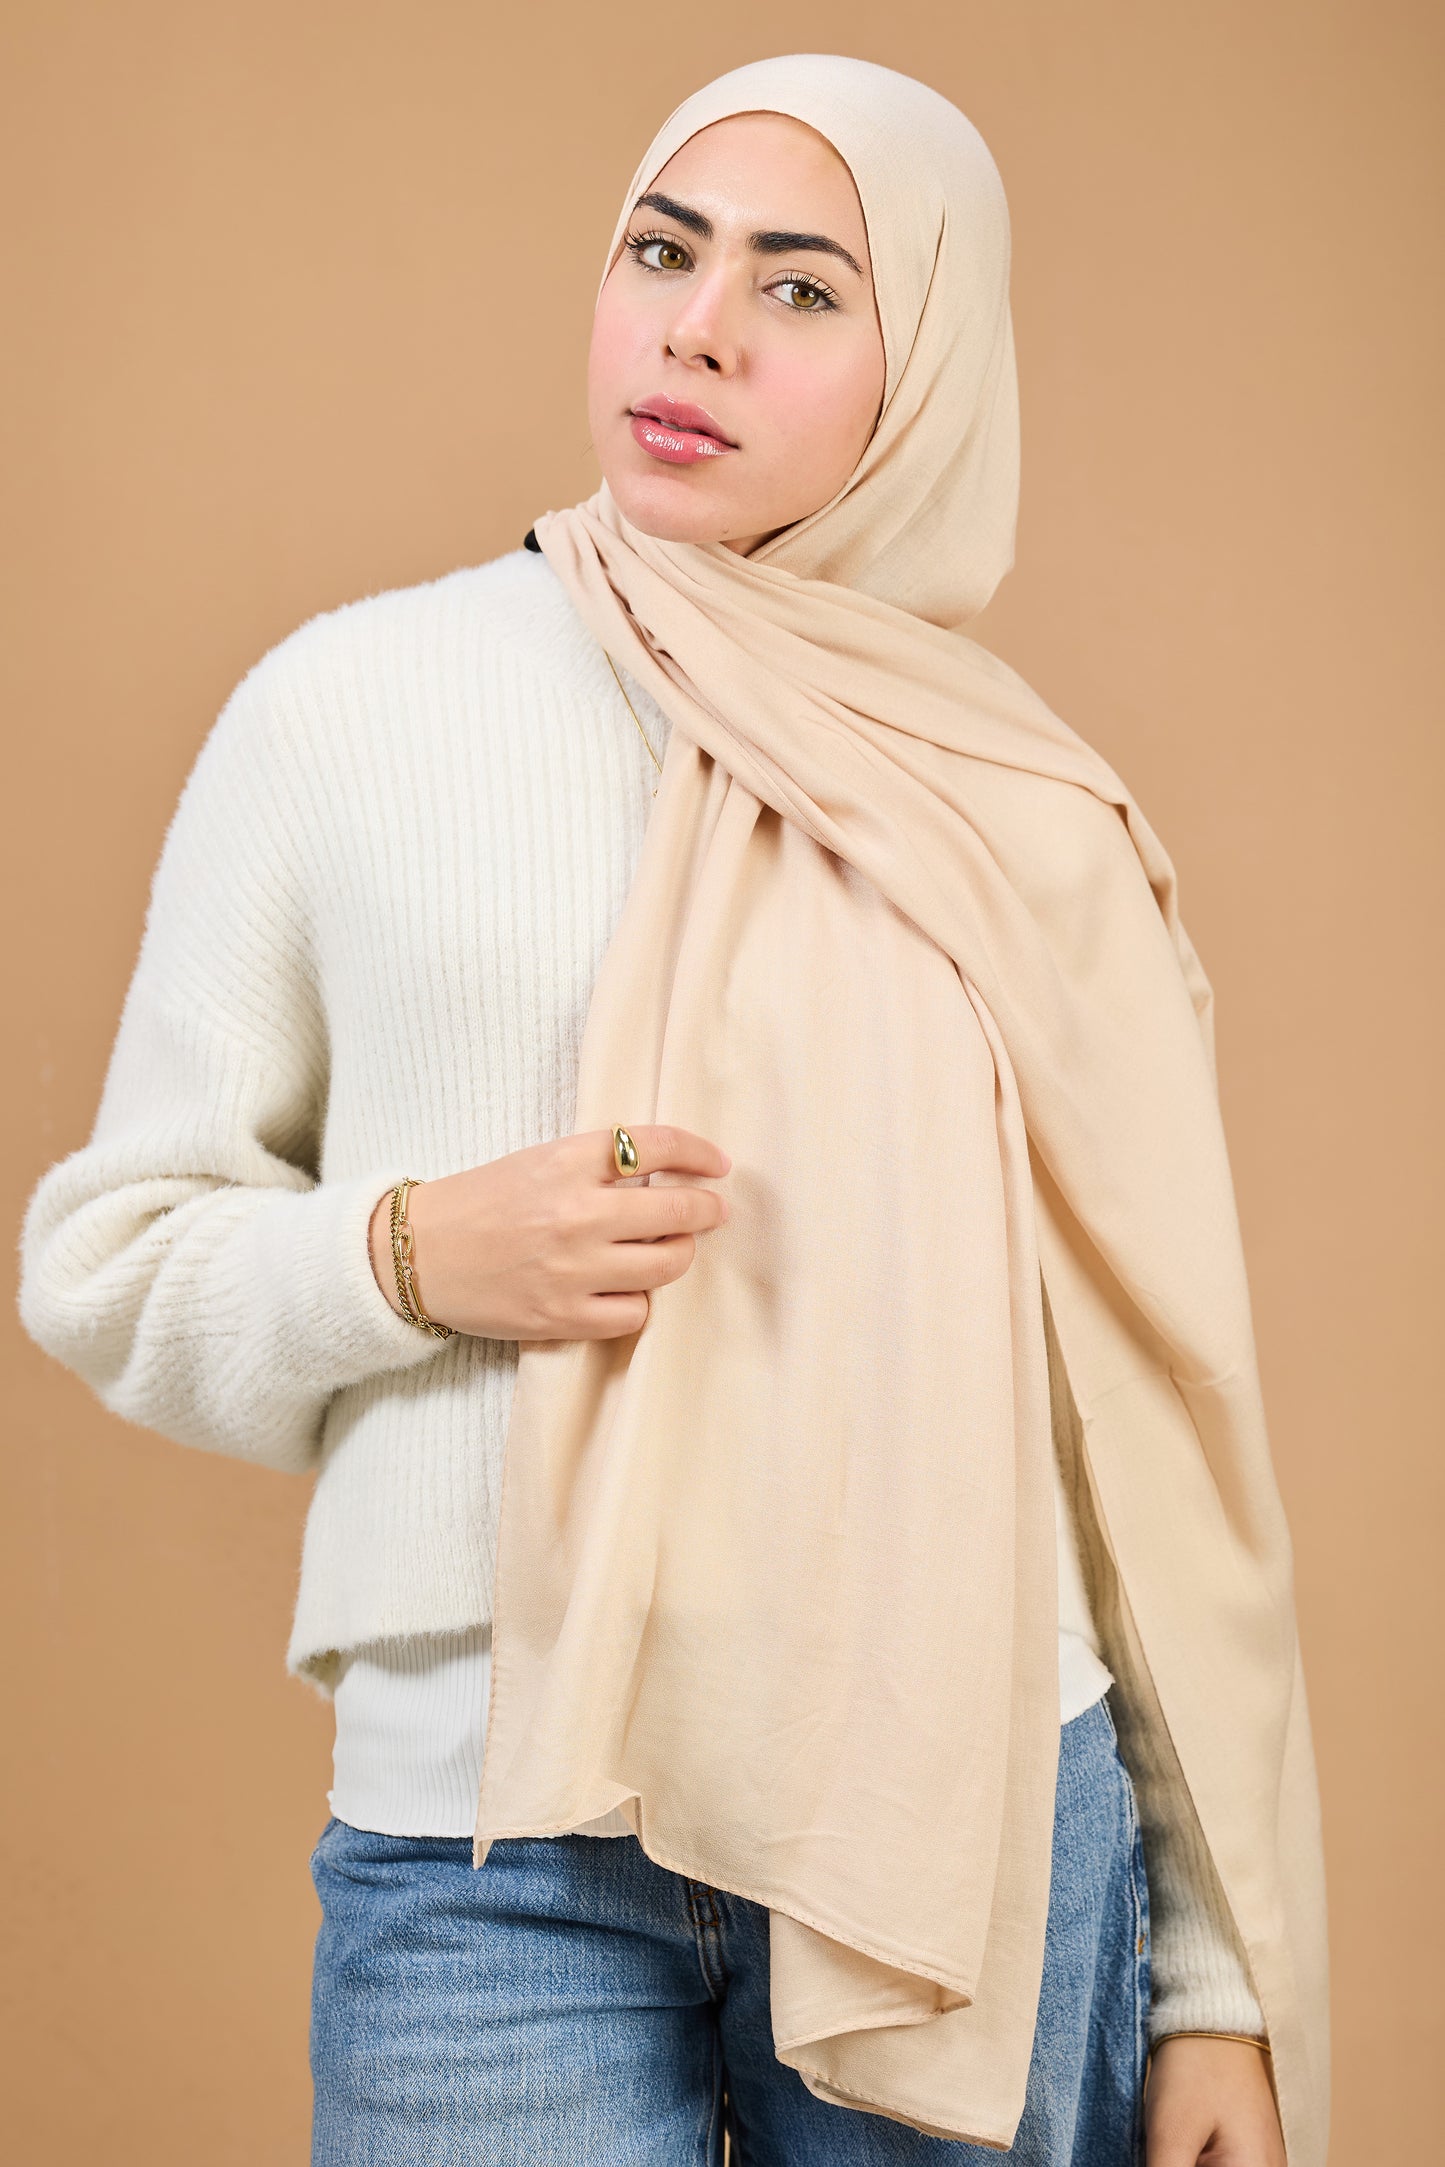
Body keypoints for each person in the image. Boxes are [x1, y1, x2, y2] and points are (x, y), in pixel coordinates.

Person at [16, 51, 1326, 2167]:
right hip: (489, 1841)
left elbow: (1147, 1449)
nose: (699, 327)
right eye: (660, 251)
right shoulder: (351, 709)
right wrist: (413, 1256)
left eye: (802, 288)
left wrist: (1215, 1991)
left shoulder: (1028, 822)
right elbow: (108, 1258)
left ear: (927, 368)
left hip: (970, 1826)